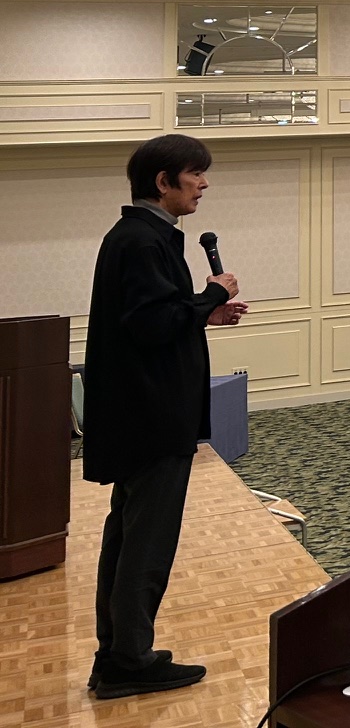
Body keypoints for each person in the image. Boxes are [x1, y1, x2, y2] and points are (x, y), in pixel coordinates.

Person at [84, 134, 248, 700]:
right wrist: (210, 295)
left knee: (126, 538)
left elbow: (148, 323)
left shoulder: (137, 236)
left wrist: (201, 313)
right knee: (146, 545)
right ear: (163, 181)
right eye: (195, 174)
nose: (204, 184)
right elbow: (152, 325)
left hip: (139, 417)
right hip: (153, 419)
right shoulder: (143, 240)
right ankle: (129, 660)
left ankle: (116, 654)